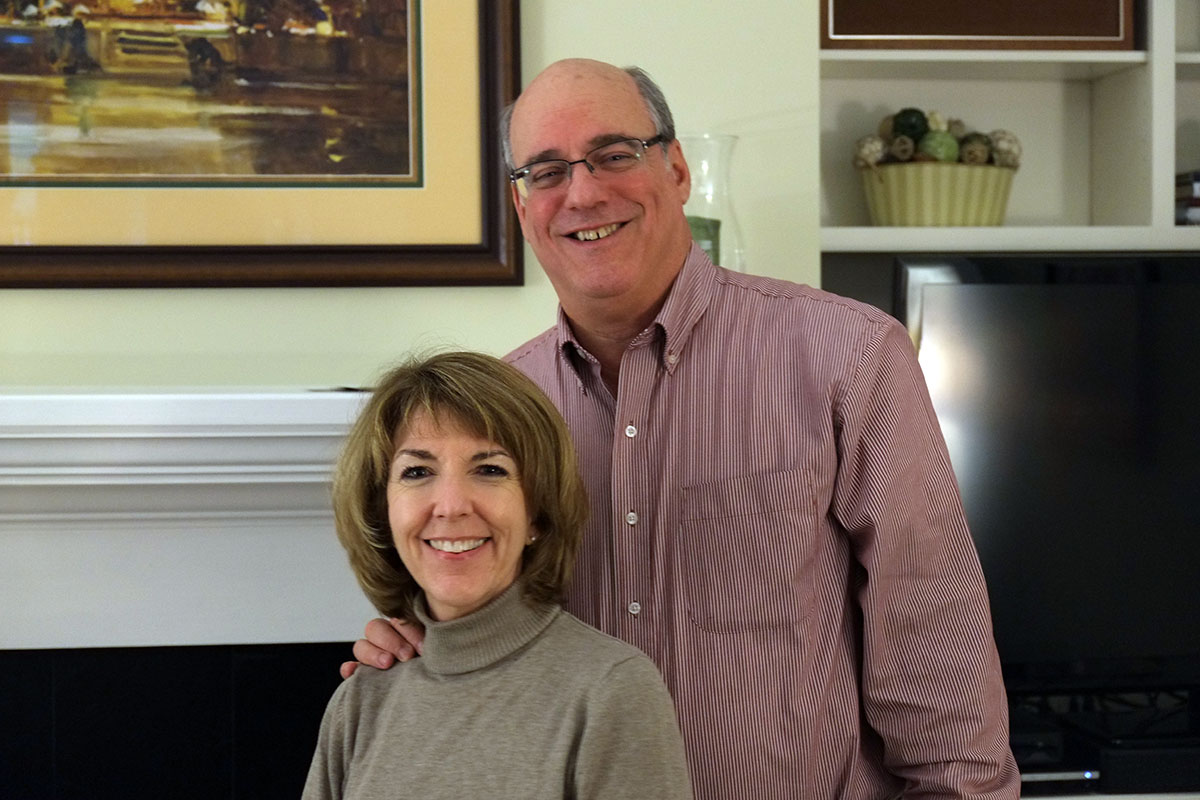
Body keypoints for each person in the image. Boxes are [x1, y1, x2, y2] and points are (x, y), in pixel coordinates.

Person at [343, 60, 1021, 799]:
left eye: (613, 155)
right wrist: (421, 644)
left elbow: (935, 658)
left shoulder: (847, 357)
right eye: (547, 171)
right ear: (521, 203)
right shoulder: (496, 419)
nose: (582, 193)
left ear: (675, 168)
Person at [305, 351, 692, 800]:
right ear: (384, 512)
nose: (452, 506)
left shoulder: (611, 690)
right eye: (417, 471)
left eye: (490, 469)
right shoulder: (359, 702)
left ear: (536, 513)